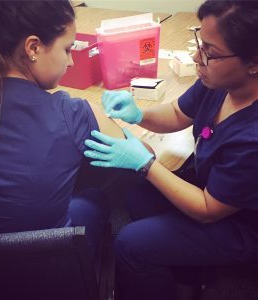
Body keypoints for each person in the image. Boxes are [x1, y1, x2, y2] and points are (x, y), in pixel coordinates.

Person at [84, 0, 258, 299]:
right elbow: (179, 113)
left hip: (239, 226)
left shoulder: (252, 136)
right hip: (211, 190)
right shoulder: (219, 82)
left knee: (130, 243)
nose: (196, 57)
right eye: (199, 43)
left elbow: (207, 210)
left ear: (254, 62)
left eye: (209, 52)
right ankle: (190, 274)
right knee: (138, 197)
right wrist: (139, 113)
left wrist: (148, 164)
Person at [0, 0, 124, 258]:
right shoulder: (73, 114)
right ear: (33, 47)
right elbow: (138, 157)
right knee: (95, 199)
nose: (70, 62)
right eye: (67, 49)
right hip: (52, 273)